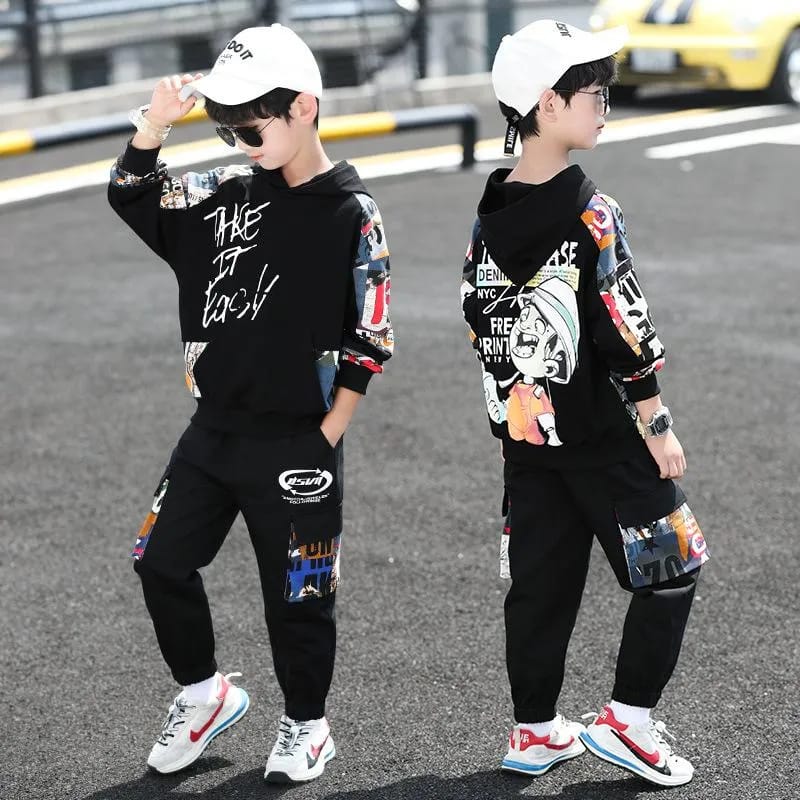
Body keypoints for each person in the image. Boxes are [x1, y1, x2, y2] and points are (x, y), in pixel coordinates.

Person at [108, 24, 393, 783]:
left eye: (252, 128)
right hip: (213, 431)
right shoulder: (220, 194)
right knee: (158, 562)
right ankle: (205, 694)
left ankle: (307, 726)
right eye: (227, 131)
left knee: (299, 597)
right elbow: (131, 192)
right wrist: (155, 124)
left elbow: (371, 338)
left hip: (301, 438)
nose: (240, 144)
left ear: (305, 107)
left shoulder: (353, 213)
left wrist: (327, 433)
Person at [460, 20, 709, 788]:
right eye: (594, 94)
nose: (605, 106)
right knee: (674, 567)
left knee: (542, 586)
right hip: (604, 437)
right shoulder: (591, 211)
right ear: (548, 103)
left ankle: (535, 730)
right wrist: (657, 424)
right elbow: (622, 326)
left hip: (527, 438)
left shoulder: (489, 215)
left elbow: (477, 316)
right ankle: (629, 720)